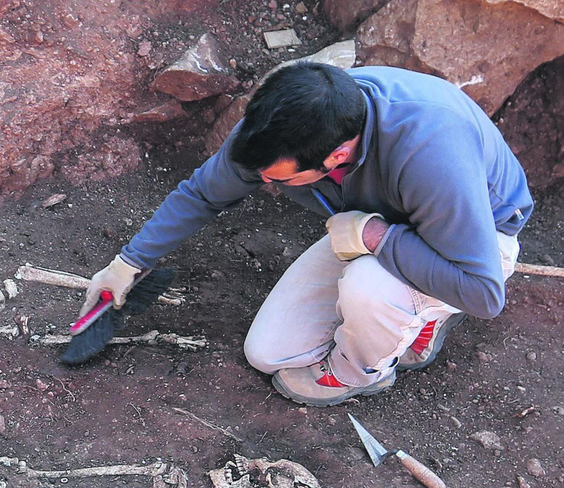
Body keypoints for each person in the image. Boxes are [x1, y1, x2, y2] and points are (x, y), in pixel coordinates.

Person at [79, 63, 531, 406]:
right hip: (368, 223)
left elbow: (482, 293)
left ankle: (366, 368)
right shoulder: (283, 126)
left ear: (336, 156)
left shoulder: (430, 153)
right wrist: (128, 263)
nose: (266, 185)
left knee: (369, 290)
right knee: (268, 354)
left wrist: (377, 237)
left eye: (278, 180)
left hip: (474, 243)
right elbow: (203, 193)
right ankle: (392, 309)